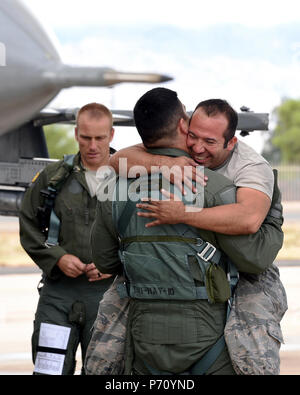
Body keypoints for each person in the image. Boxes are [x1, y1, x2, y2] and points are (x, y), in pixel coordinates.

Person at [91, 88, 283, 375]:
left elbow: (250, 226)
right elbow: (113, 161)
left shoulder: (249, 168)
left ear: (230, 143)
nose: (197, 147)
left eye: (209, 141)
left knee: (254, 355)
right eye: (193, 136)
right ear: (184, 126)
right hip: (195, 313)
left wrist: (183, 214)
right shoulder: (192, 173)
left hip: (253, 237)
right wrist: (166, 165)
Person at [19, 102, 115, 375]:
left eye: (100, 138)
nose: (93, 145)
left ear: (111, 135)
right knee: (49, 369)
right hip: (58, 294)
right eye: (86, 138)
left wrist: (115, 262)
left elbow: (146, 236)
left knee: (105, 373)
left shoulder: (129, 180)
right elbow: (29, 224)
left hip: (108, 298)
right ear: (76, 134)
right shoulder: (54, 178)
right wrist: (57, 257)